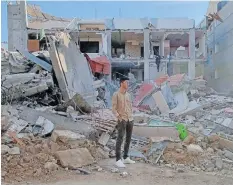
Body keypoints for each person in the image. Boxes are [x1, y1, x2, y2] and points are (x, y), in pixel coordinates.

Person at [112, 77, 135, 168]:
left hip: (130, 118)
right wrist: (119, 117)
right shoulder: (116, 94)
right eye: (126, 82)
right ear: (121, 83)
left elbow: (130, 106)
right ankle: (118, 159)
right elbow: (113, 109)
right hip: (122, 119)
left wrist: (132, 115)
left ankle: (125, 157)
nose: (128, 84)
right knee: (120, 138)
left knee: (128, 139)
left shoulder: (128, 95)